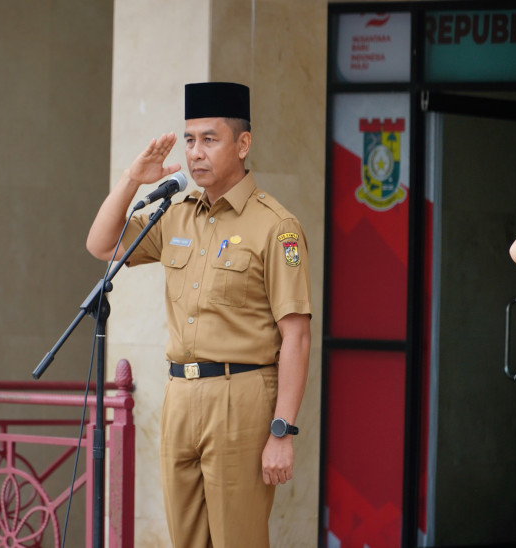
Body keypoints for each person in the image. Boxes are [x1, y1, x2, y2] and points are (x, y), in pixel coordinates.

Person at [86, 82, 311, 547]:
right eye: (189, 140)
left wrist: (282, 430)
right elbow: (101, 244)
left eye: (209, 139)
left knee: (237, 541)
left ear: (243, 144)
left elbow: (297, 337)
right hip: (181, 395)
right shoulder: (175, 214)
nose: (195, 153)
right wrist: (133, 178)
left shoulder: (276, 226)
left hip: (241, 396)